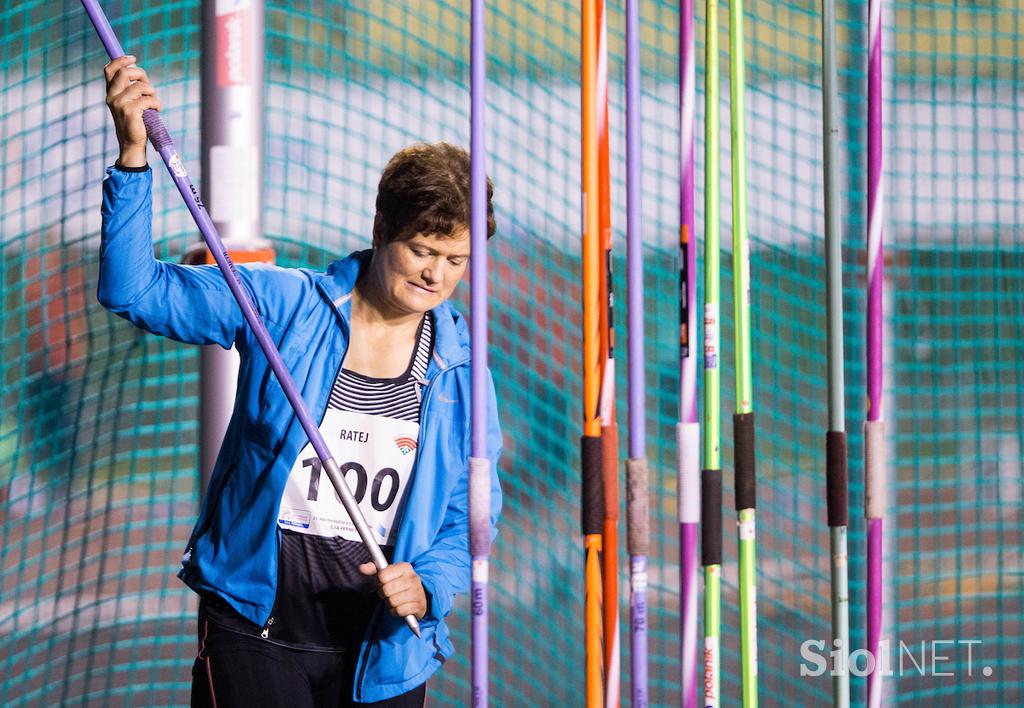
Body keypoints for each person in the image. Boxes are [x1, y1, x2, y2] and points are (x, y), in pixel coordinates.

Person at [99, 55, 503, 707]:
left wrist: (428, 586)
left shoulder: (461, 371)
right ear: (381, 231)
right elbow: (134, 291)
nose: (436, 274)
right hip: (254, 637)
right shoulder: (284, 306)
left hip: (384, 653)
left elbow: (468, 517)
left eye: (455, 260)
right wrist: (131, 155)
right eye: (422, 251)